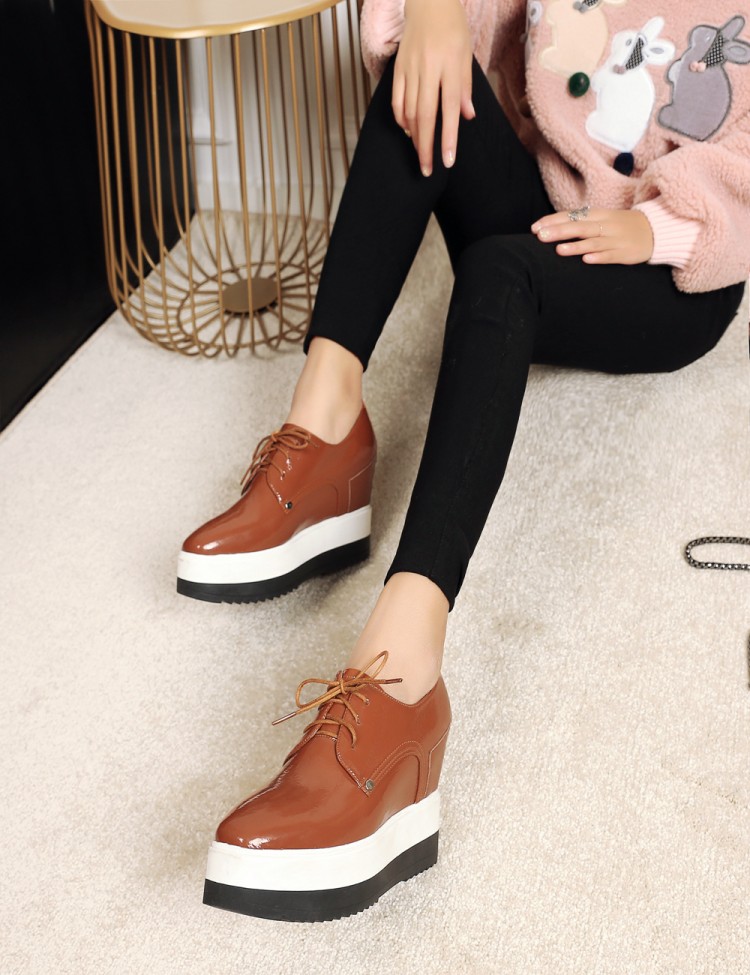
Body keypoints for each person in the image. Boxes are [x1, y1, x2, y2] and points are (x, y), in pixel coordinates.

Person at [183, 0, 750, 922]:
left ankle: (401, 677)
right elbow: (456, 33)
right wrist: (438, 12)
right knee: (426, 86)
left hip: (672, 264)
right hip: (547, 201)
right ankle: (326, 429)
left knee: (498, 274)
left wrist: (662, 228)